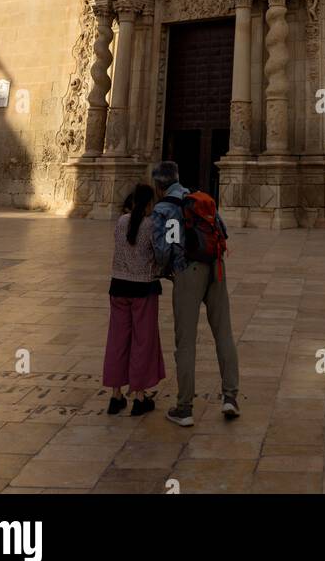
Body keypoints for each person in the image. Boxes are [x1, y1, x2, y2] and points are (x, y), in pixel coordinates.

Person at [150, 160, 240, 427]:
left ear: (158, 185)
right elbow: (222, 231)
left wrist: (165, 270)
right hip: (216, 268)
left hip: (188, 272)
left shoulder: (165, 208)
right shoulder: (198, 198)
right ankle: (230, 397)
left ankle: (184, 407)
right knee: (223, 332)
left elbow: (164, 248)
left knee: (186, 341)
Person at [102, 182, 165, 416]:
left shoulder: (121, 221)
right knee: (143, 342)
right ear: (149, 203)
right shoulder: (151, 225)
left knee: (117, 340)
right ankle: (139, 397)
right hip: (143, 290)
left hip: (117, 288)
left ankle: (115, 396)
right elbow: (158, 254)